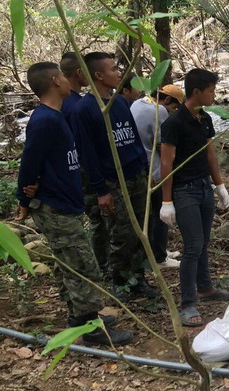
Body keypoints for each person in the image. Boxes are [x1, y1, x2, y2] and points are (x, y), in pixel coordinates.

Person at [15, 62, 133, 346]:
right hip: (55, 206)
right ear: (56, 81)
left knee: (72, 262)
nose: (70, 81)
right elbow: (29, 161)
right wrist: (25, 197)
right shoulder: (44, 120)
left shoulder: (57, 116)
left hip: (66, 202)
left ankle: (80, 318)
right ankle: (90, 328)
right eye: (63, 77)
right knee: (82, 265)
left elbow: (48, 160)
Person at [70, 52, 158, 301]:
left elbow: (134, 139)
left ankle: (138, 277)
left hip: (136, 174)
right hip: (112, 181)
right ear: (98, 75)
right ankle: (119, 281)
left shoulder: (119, 102)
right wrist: (101, 190)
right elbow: (87, 155)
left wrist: (146, 169)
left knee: (142, 228)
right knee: (120, 233)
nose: (119, 73)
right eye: (113, 69)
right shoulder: (83, 109)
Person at [160, 69, 229, 327]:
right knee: (192, 246)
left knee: (203, 242)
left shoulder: (204, 118)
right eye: (211, 90)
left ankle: (205, 288)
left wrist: (219, 185)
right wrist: (166, 201)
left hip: (203, 187)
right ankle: (187, 303)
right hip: (184, 190)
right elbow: (166, 163)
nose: (214, 95)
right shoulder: (174, 123)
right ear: (196, 92)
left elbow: (210, 153)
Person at [60, 52, 114, 273]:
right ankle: (102, 266)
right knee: (100, 221)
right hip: (87, 172)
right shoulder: (75, 106)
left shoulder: (72, 101)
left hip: (83, 170)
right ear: (79, 72)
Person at [131, 85, 185, 269]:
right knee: (160, 213)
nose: (172, 112)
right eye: (174, 108)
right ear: (167, 100)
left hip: (139, 166)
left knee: (149, 215)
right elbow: (163, 143)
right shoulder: (159, 110)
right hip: (153, 169)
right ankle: (160, 258)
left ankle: (155, 250)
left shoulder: (138, 102)